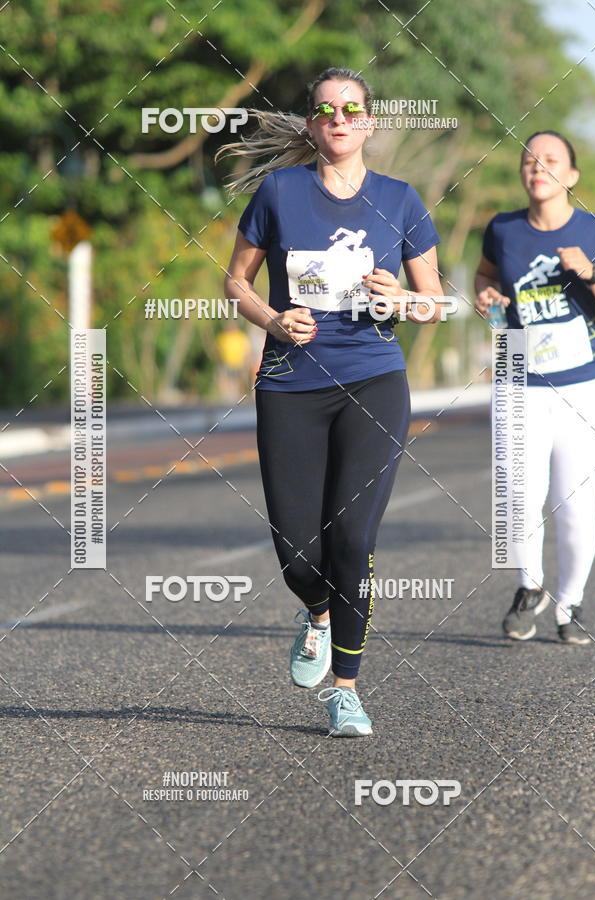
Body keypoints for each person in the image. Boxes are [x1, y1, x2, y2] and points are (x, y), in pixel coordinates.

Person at [220, 67, 444, 735]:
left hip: (374, 380)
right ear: (312, 125)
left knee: (352, 536)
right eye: (325, 110)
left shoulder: (400, 200)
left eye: (350, 109)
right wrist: (272, 320)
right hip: (290, 383)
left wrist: (403, 298)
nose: (338, 119)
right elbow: (236, 282)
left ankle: (346, 689)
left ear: (368, 122)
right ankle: (316, 611)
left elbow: (436, 303)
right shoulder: (279, 192)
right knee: (297, 552)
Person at [474, 130, 595, 645]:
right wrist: (486, 293)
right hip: (515, 374)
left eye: (550, 159)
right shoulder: (503, 229)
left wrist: (589, 272)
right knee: (516, 496)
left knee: (575, 505)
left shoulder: (594, 229)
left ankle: (570, 604)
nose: (537, 166)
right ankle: (530, 588)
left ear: (571, 175)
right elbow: (486, 275)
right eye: (529, 159)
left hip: (581, 383)